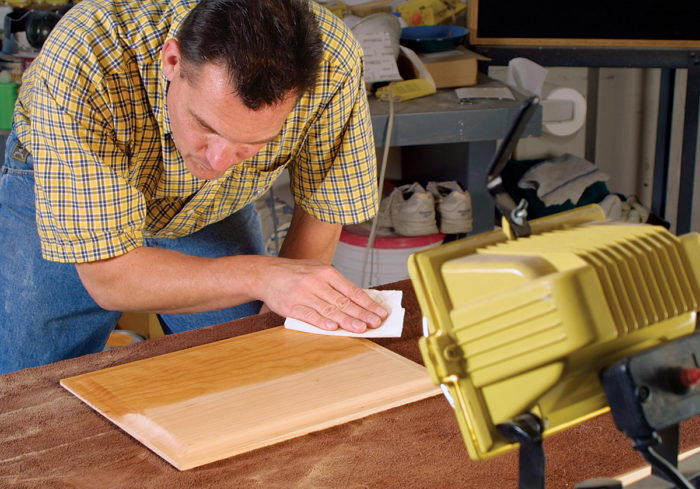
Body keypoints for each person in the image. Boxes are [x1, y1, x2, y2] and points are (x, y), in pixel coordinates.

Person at [0, 0, 387, 374]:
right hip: (62, 193)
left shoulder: (331, 63)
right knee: (28, 391)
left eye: (251, 145)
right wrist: (263, 276)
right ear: (173, 61)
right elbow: (110, 277)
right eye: (206, 127)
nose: (217, 162)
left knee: (248, 362)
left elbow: (323, 209)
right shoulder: (86, 52)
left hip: (208, 208)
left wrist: (275, 341)